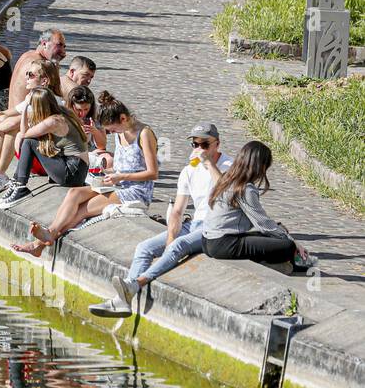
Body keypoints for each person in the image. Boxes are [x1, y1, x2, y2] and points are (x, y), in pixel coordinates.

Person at [91, 123, 234, 317]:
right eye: (195, 144)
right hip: (194, 224)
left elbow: (225, 192)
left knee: (180, 245)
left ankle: (134, 285)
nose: (199, 149)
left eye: (205, 145)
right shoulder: (188, 171)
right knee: (144, 247)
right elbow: (177, 211)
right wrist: (169, 241)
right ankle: (123, 300)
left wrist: (208, 163)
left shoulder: (229, 165)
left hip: (216, 226)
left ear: (217, 144)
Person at [12, 91, 158, 253]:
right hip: (118, 184)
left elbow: (153, 173)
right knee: (74, 193)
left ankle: (41, 242)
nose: (113, 133)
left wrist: (121, 176)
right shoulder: (121, 131)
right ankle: (47, 236)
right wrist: (106, 171)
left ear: (123, 118)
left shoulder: (144, 134)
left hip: (136, 191)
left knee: (82, 210)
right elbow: (122, 165)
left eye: (113, 130)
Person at [0, 56, 63, 200]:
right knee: (1, 119)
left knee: (12, 128)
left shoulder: (47, 101)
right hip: (32, 154)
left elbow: (15, 123)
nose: (26, 78)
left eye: (31, 75)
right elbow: (5, 113)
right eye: (27, 74)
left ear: (44, 81)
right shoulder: (32, 96)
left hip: (47, 160)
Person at [201, 141, 300, 271]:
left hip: (207, 241)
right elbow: (263, 223)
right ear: (261, 167)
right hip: (224, 244)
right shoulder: (245, 189)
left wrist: (280, 229)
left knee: (272, 235)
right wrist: (293, 242)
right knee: (287, 246)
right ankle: (273, 266)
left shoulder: (226, 178)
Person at [0, 89, 90, 211]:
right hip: (77, 169)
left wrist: (25, 108)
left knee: (28, 142)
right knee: (30, 141)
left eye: (32, 106)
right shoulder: (61, 112)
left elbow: (24, 134)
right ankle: (16, 184)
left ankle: (21, 187)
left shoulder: (54, 121)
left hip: (72, 172)